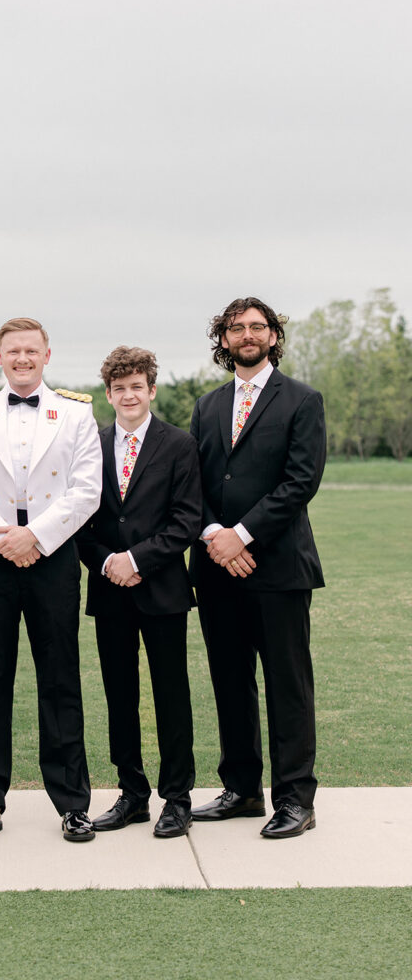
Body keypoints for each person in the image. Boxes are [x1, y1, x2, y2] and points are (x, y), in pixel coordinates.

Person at [0, 317, 102, 843]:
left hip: (51, 554)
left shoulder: (76, 413)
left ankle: (73, 803)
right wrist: (1, 538)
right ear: (0, 354)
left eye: (31, 351)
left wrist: (35, 537)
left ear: (47, 355)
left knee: (60, 677)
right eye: (14, 351)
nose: (22, 359)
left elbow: (86, 490)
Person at [189, 297, 326, 839]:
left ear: (273, 336)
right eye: (236, 327)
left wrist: (240, 535)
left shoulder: (302, 400)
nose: (247, 334)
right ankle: (242, 789)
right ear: (222, 339)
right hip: (216, 568)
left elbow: (300, 481)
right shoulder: (207, 405)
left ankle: (295, 798)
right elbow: (192, 483)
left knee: (288, 685)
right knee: (230, 680)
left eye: (257, 327)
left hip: (278, 567)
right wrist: (213, 538)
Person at [77, 346, 201, 839]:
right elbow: (79, 516)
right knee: (119, 695)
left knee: (172, 694)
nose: (129, 395)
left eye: (137, 386)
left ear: (152, 390)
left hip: (163, 589)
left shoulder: (180, 445)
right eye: (119, 388)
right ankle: (132, 795)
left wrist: (138, 561)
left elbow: (187, 519)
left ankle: (177, 797)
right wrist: (108, 561)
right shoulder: (90, 444)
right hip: (110, 590)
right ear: (109, 394)